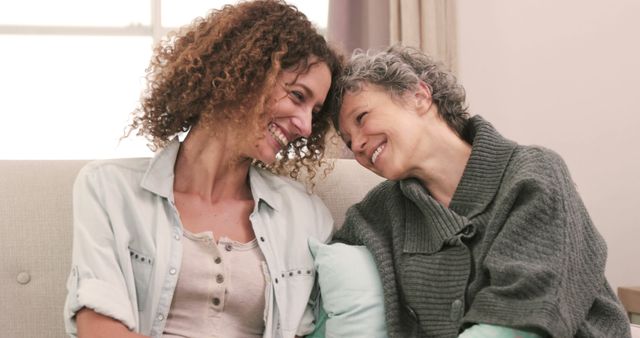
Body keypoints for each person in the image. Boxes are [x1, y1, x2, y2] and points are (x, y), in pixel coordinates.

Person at [63, 1, 343, 337]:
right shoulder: (108, 188)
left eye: (315, 111)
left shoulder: (305, 216)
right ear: (247, 74)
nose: (306, 126)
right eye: (298, 96)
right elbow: (98, 328)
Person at [328, 45, 631, 338]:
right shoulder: (379, 212)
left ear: (418, 95)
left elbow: (523, 314)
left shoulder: (533, 173)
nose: (357, 146)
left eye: (362, 118)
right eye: (348, 140)